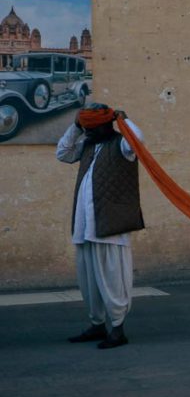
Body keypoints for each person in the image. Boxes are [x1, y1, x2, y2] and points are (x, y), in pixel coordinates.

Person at [57, 103, 145, 349]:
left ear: (108, 125)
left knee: (113, 279)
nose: (89, 133)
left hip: (110, 227)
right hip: (85, 226)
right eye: (87, 128)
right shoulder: (87, 145)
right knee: (89, 281)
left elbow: (138, 139)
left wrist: (123, 120)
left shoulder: (124, 145)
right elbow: (62, 153)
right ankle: (97, 324)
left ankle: (117, 329)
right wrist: (75, 127)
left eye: (93, 128)